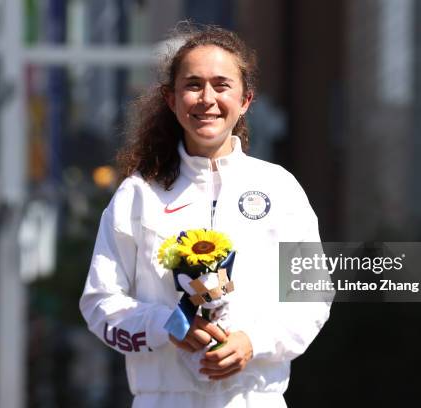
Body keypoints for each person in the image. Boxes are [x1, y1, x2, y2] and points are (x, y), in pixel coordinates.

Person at [79, 24, 331, 408]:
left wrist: (254, 341)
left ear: (246, 99)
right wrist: (167, 326)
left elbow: (311, 298)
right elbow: (100, 304)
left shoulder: (279, 189)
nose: (207, 98)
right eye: (193, 85)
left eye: (221, 84)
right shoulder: (139, 194)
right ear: (171, 98)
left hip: (254, 398)